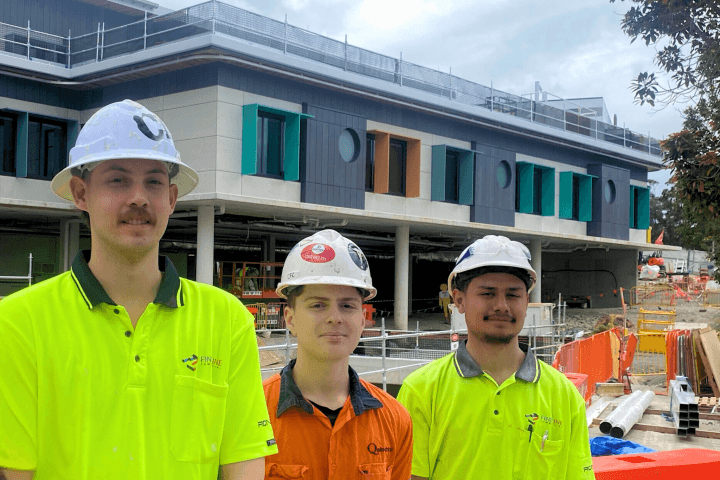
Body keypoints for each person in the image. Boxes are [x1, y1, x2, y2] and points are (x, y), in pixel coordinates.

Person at [0, 100, 277, 480]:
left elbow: (242, 464)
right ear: (81, 193)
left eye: (154, 181)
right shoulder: (18, 323)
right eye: (118, 179)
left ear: (172, 199)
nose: (139, 198)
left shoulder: (227, 321)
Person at [397, 235, 594, 480]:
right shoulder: (422, 391)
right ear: (459, 300)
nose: (502, 305)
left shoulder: (563, 396)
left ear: (526, 302)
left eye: (513, 295)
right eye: (488, 293)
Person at [263, 229, 413, 479]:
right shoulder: (255, 412)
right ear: (290, 318)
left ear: (363, 320)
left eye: (347, 306)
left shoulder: (394, 419)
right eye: (318, 305)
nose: (335, 318)